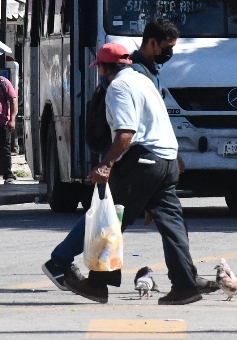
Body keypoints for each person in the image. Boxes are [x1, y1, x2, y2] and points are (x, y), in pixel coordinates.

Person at [43, 42, 205, 306]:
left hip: (142, 162)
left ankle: (95, 283)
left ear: (105, 68)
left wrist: (106, 164)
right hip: (167, 160)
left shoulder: (118, 87)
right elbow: (159, 123)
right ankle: (185, 285)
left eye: (100, 70)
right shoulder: (144, 81)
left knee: (109, 219)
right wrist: (174, 159)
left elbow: (126, 134)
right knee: (172, 226)